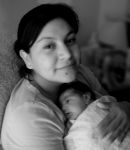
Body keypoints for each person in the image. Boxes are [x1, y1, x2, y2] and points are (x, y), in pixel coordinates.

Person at [1, 3, 130, 150]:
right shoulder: (30, 117)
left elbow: (108, 102)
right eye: (49, 46)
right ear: (27, 59)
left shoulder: (80, 73)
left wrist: (124, 107)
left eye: (70, 40)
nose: (68, 54)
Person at [58, 81, 130, 150]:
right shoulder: (69, 126)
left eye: (68, 101)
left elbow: (113, 104)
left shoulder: (100, 105)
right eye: (61, 106)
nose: (63, 108)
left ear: (86, 97)